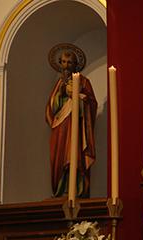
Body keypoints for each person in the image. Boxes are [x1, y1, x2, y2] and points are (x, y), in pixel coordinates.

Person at [46, 45, 97, 198]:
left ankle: (77, 190)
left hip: (76, 128)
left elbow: (91, 104)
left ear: (76, 65)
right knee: (59, 158)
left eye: (70, 63)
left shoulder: (84, 82)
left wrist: (79, 98)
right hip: (60, 128)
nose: (66, 66)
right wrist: (61, 94)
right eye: (63, 62)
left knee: (76, 157)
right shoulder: (58, 84)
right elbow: (50, 109)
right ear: (60, 64)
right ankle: (61, 189)